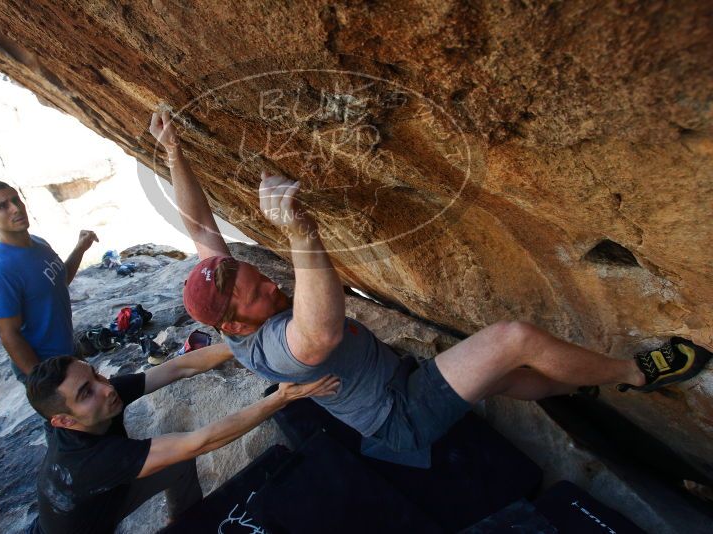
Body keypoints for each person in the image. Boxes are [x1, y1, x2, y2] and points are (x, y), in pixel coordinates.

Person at [147, 110, 712, 462]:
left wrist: (173, 152)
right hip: (401, 417)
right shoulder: (275, 349)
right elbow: (318, 333)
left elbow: (202, 231)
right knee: (511, 339)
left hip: (395, 382)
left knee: (506, 377)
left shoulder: (224, 296)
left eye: (261, 279)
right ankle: (635, 373)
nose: (271, 287)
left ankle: (575, 385)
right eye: (260, 293)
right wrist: (301, 231)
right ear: (238, 324)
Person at [25, 348, 338, 534]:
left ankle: (184, 522)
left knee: (177, 463)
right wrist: (280, 399)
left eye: (96, 375)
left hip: (105, 495)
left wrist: (244, 344)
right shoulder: (86, 463)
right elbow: (199, 442)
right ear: (63, 421)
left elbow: (178, 366)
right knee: (184, 451)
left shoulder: (104, 398)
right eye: (86, 392)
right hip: (84, 524)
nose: (105, 388)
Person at [0, 181, 98, 382]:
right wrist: (41, 380)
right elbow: (9, 335)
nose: (15, 208)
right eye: (2, 206)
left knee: (103, 409)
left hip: (70, 351)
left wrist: (80, 249)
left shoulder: (38, 243)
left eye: (16, 200)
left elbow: (59, 280)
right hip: (47, 367)